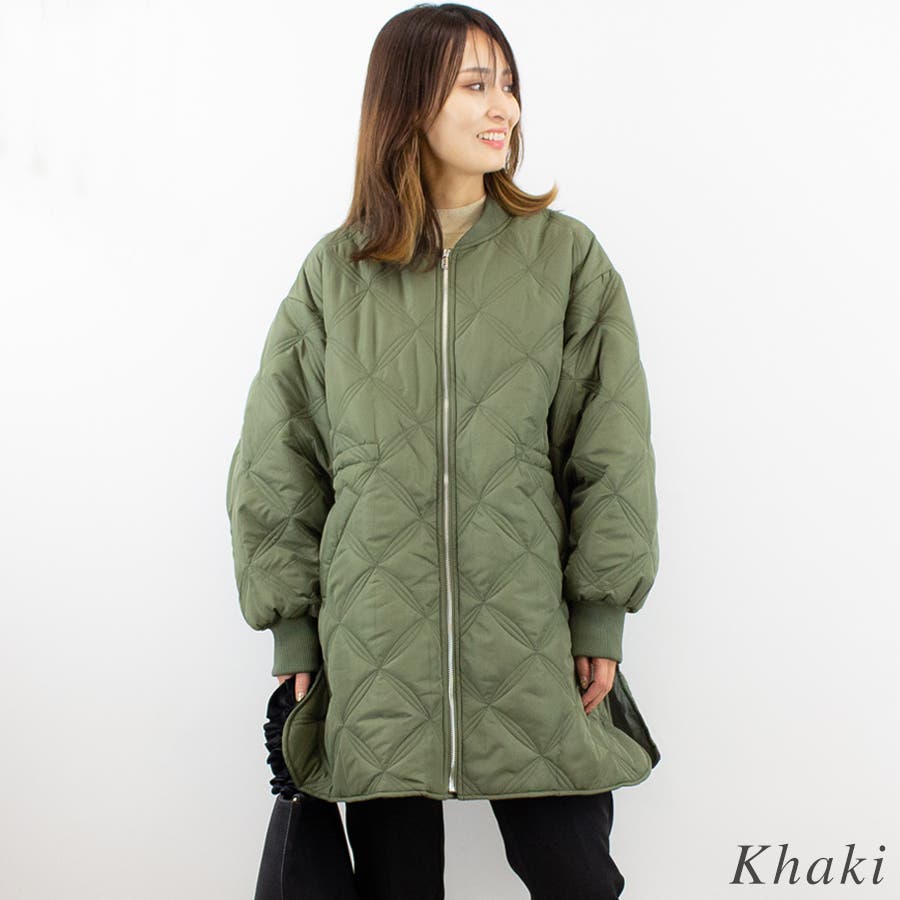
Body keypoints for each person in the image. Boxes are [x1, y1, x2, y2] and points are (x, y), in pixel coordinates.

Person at [225, 4, 662, 898]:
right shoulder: (337, 273)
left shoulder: (565, 259)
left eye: (508, 84)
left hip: (529, 634)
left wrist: (598, 615)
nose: (504, 107)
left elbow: (611, 450)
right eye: (475, 84)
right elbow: (279, 458)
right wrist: (293, 626)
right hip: (374, 641)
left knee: (574, 874)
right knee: (397, 886)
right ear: (407, 102)